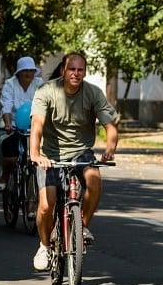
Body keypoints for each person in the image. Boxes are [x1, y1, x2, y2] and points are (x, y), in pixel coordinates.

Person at [29, 53, 120, 272]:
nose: (76, 74)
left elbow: (110, 126)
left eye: (80, 70)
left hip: (81, 152)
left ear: (84, 72)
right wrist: (35, 154)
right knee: (45, 205)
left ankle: (82, 228)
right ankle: (44, 245)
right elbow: (37, 125)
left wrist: (109, 148)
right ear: (63, 70)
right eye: (72, 69)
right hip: (50, 155)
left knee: (94, 180)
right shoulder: (47, 91)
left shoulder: (92, 93)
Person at [0, 56, 44, 191]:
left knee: (39, 158)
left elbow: (45, 104)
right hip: (13, 125)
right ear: (19, 72)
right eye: (25, 70)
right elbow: (7, 106)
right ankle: (5, 175)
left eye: (31, 71)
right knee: (11, 157)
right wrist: (8, 123)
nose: (28, 74)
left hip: (34, 125)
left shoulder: (39, 83)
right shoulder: (10, 84)